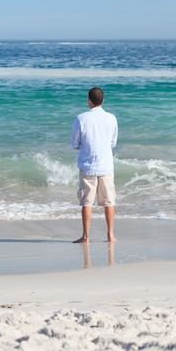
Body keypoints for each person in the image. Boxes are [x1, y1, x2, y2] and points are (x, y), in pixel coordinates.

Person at [71, 87, 118, 243]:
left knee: (87, 202)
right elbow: (113, 142)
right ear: (103, 101)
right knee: (109, 201)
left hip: (87, 165)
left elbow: (75, 143)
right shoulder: (112, 118)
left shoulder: (81, 118)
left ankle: (85, 236)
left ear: (89, 101)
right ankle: (110, 235)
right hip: (106, 165)